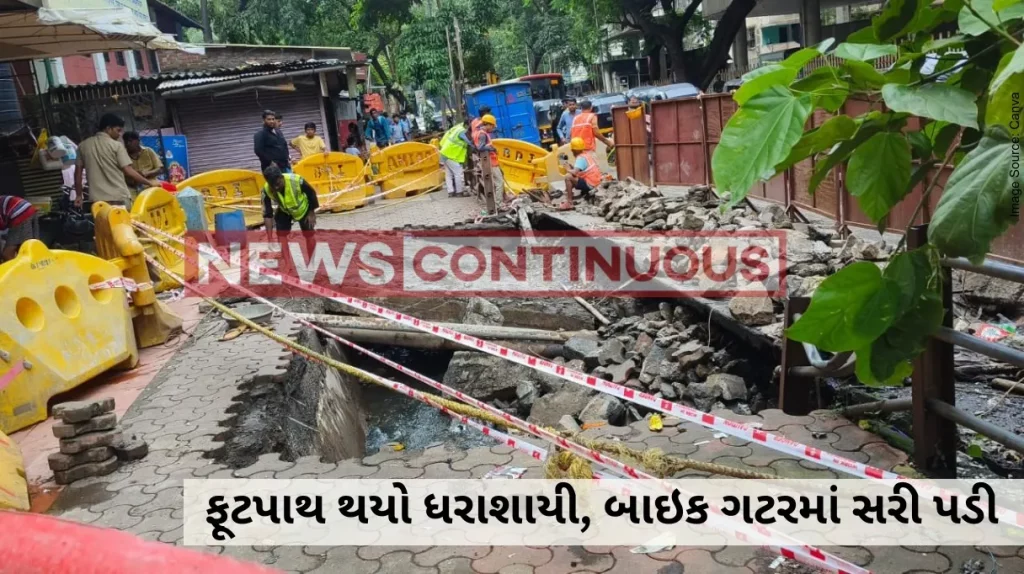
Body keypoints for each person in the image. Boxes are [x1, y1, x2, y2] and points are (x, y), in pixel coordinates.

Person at [75, 113, 158, 208]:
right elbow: (128, 171)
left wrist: (78, 195)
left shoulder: (82, 146)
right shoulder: (116, 145)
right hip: (119, 199)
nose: (120, 134)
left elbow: (78, 174)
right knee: (123, 223)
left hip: (97, 202)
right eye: (118, 130)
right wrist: (149, 183)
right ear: (108, 128)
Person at [261, 165, 319, 238]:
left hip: (302, 210)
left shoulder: (296, 181)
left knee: (309, 234)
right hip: (285, 210)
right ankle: (284, 248)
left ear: (282, 177)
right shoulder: (266, 189)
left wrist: (311, 213)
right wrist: (270, 238)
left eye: (278, 184)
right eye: (272, 186)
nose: (276, 188)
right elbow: (267, 214)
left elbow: (311, 193)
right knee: (281, 233)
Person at [559, 137, 602, 211]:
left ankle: (569, 201)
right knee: (571, 175)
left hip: (590, 184)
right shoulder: (586, 155)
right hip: (596, 182)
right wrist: (571, 168)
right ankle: (568, 193)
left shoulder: (580, 158)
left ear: (573, 150)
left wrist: (568, 169)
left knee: (568, 177)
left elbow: (575, 172)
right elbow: (581, 170)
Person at [473, 114, 507, 204]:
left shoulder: (480, 133)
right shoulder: (483, 135)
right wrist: (492, 149)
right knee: (499, 182)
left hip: (491, 161)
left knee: (497, 181)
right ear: (488, 125)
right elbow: (480, 148)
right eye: (492, 126)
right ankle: (499, 203)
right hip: (491, 162)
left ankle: (499, 201)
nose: (492, 129)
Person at [438, 120, 477, 198]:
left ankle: (451, 192)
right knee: (458, 173)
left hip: (445, 153)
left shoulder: (458, 127)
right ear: (467, 126)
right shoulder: (462, 132)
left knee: (449, 174)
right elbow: (469, 142)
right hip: (451, 155)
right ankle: (459, 192)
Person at [1, 195, 40, 261]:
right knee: (28, 248)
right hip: (29, 209)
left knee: (7, 254)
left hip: (19, 214)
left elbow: (2, 224)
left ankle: (16, 270)